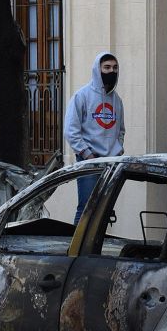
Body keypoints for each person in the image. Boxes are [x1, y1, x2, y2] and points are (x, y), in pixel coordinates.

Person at [64, 52, 125, 223]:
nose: (111, 71)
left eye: (115, 67)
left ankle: (97, 248)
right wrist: (87, 155)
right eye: (106, 67)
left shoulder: (117, 101)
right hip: (89, 161)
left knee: (104, 210)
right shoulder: (81, 96)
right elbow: (71, 130)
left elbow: (120, 130)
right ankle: (77, 250)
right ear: (97, 70)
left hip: (110, 163)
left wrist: (117, 151)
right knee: (86, 208)